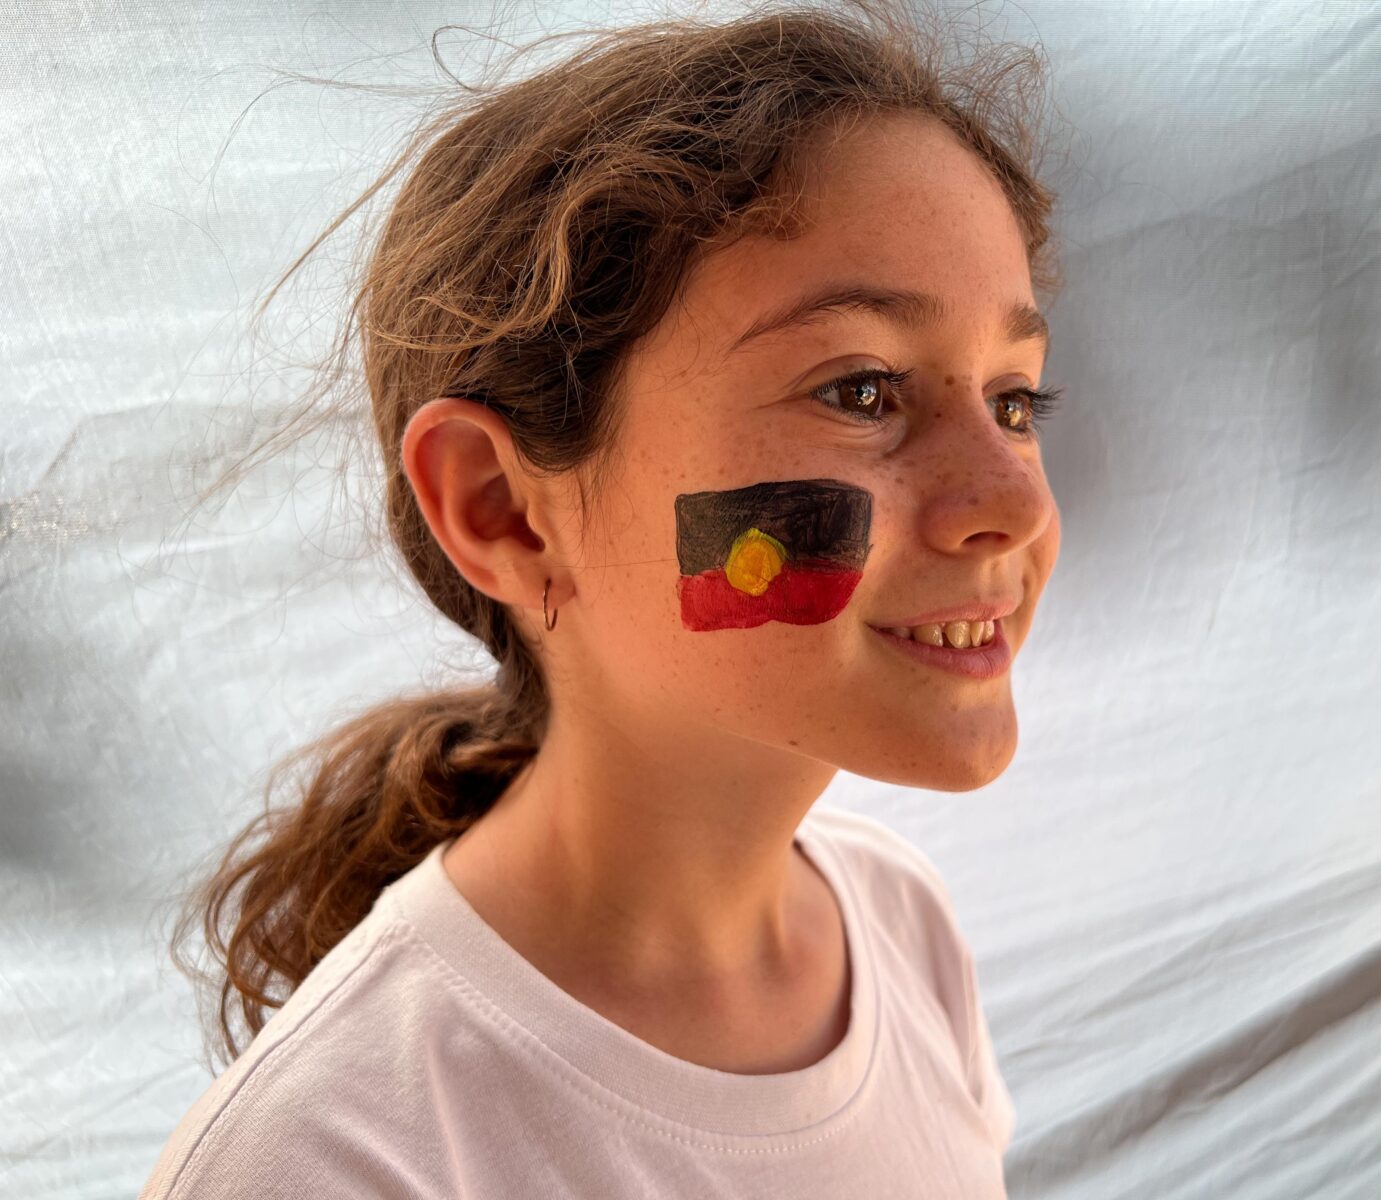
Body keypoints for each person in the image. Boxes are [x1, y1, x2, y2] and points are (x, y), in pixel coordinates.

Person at [142, 2, 1063, 1195]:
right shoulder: (330, 1159)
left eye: (1015, 399)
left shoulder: (900, 925)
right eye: (861, 388)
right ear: (503, 510)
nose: (1014, 502)